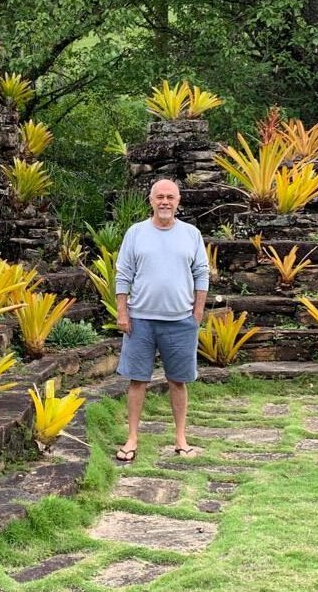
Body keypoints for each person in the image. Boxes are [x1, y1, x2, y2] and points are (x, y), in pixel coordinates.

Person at [113, 178, 208, 462]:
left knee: (178, 381)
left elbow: (201, 273)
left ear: (178, 201)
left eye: (170, 197)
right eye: (160, 197)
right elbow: (123, 274)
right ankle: (131, 438)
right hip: (140, 321)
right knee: (137, 381)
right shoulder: (136, 232)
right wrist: (122, 312)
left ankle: (180, 439)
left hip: (180, 321)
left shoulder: (191, 234)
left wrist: (198, 313)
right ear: (151, 200)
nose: (165, 202)